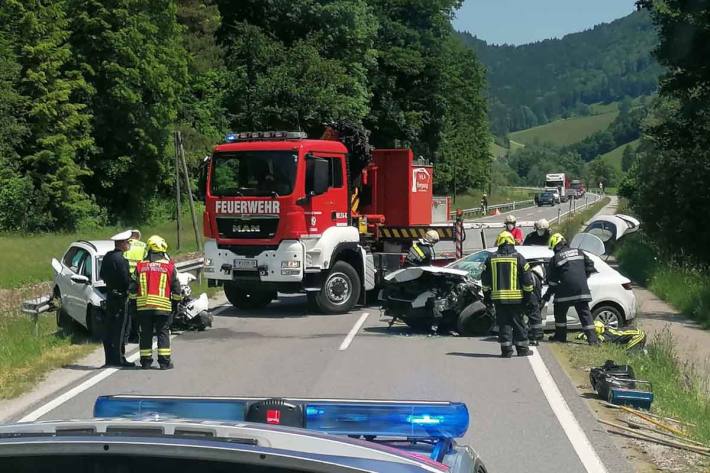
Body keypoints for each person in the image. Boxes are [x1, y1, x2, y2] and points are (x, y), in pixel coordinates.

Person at [480, 231, 534, 358]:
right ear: (512, 242)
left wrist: (487, 297)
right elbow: (527, 280)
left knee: (504, 324)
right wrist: (527, 296)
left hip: (499, 299)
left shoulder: (491, 258)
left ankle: (506, 351)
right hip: (517, 299)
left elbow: (485, 281)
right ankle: (522, 349)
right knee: (519, 323)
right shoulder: (519, 257)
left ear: (499, 242)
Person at [131, 235, 181, 370]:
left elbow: (132, 289)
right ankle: (164, 363)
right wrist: (175, 306)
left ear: (149, 249)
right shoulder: (169, 267)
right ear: (163, 250)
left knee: (145, 334)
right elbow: (177, 290)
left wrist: (132, 306)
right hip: (162, 308)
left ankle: (146, 362)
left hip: (143, 307)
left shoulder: (140, 266)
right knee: (163, 333)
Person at [542, 233, 599, 345]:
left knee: (559, 312)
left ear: (555, 246)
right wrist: (583, 278)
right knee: (585, 315)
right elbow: (590, 266)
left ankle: (560, 337)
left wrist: (547, 296)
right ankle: (593, 340)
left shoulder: (556, 258)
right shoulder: (579, 252)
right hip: (581, 290)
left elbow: (552, 281)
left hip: (564, 291)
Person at [98, 230, 135, 367]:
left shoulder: (108, 257)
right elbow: (126, 280)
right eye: (127, 242)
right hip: (120, 297)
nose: (129, 244)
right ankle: (119, 358)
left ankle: (109, 359)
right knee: (120, 329)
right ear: (122, 243)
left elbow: (102, 275)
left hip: (110, 296)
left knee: (109, 328)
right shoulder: (121, 259)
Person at [526, 264, 545, 345]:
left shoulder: (531, 275)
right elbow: (537, 294)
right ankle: (536, 337)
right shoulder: (535, 277)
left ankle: (532, 335)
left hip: (525, 298)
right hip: (531, 298)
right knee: (535, 316)